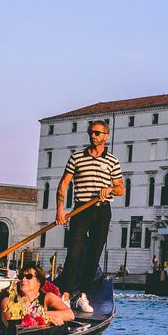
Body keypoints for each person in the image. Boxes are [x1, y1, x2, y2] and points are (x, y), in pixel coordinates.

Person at [56, 119, 124, 315]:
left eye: (97, 133)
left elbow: (121, 188)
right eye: (91, 132)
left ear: (106, 136)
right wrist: (60, 210)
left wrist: (109, 188)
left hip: (102, 211)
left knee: (94, 254)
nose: (93, 136)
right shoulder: (77, 158)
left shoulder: (112, 161)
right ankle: (66, 295)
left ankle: (83, 295)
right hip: (80, 210)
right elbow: (63, 184)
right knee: (74, 254)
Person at [0, 266, 75, 334]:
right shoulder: (9, 301)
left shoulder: (48, 297)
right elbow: (12, 325)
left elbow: (70, 314)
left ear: (39, 281)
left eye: (28, 276)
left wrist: (46, 315)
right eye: (21, 276)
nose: (23, 279)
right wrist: (43, 317)